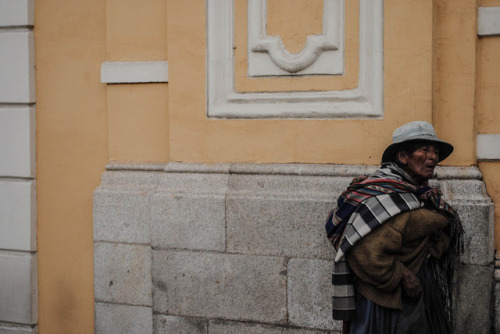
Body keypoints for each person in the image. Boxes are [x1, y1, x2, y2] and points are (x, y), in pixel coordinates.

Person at [325, 121, 463, 334]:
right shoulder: (383, 195)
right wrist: (402, 275)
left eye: (435, 151)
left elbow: (431, 243)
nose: (433, 157)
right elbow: (365, 253)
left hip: (417, 293)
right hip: (384, 302)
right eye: (424, 150)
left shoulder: (419, 194)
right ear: (403, 157)